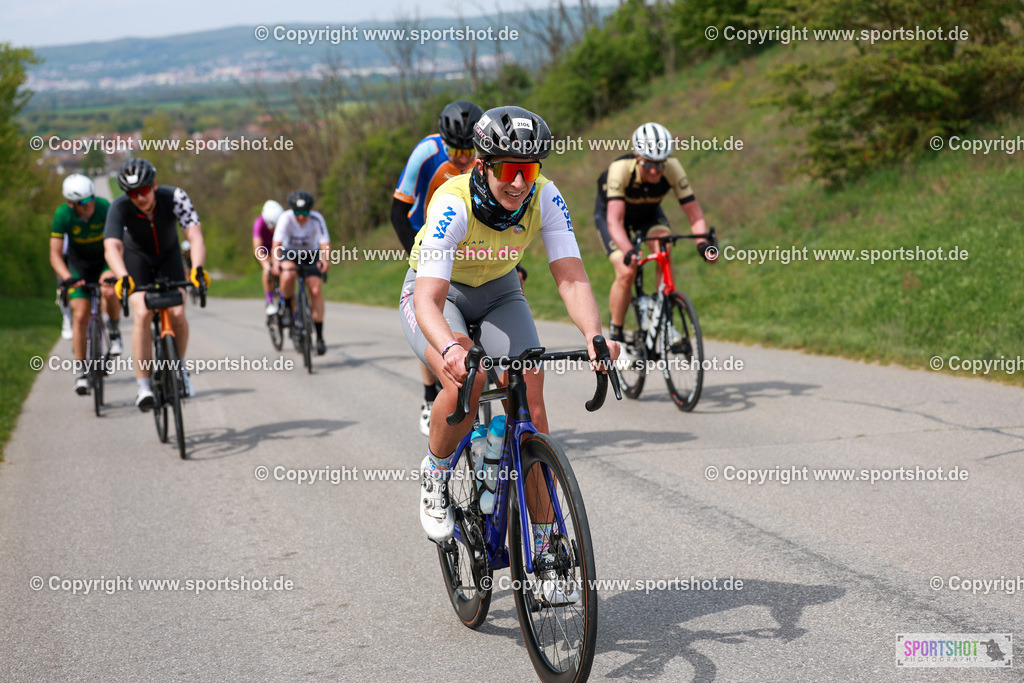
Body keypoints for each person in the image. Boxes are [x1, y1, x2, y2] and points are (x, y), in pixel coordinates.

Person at [398, 106, 619, 570]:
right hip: (441, 296)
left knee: (532, 406)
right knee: (468, 381)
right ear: (483, 165)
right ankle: (436, 472)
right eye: (508, 169)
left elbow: (571, 276)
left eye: (529, 169)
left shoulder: (546, 196)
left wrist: (594, 335)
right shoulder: (452, 203)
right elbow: (428, 300)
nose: (519, 182)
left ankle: (546, 545)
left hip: (500, 291)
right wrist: (451, 348)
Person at [392, 100, 484, 436]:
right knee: (432, 311)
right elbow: (397, 211)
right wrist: (420, 263)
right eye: (454, 149)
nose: (461, 157)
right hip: (426, 234)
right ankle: (431, 396)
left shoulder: (485, 159)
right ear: (442, 140)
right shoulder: (426, 153)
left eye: (467, 150)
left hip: (468, 240)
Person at [594, 122, 716, 345]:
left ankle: (665, 321)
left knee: (664, 249)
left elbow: (694, 212)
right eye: (649, 163)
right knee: (626, 269)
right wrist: (629, 250)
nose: (654, 171)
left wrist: (702, 242)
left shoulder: (673, 168)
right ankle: (617, 336)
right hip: (613, 216)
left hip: (647, 214)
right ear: (637, 157)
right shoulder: (620, 170)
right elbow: (615, 220)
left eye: (660, 165)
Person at [103, 158, 208, 410]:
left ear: (154, 185)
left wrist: (196, 269)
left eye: (144, 190)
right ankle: (144, 387)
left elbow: (194, 235)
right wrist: (122, 276)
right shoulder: (119, 207)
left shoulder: (175, 197)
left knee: (178, 311)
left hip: (168, 257)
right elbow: (111, 247)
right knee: (142, 313)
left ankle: (179, 368)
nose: (139, 197)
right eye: (132, 193)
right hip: (136, 260)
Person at [50, 173, 123, 394]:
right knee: (80, 315)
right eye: (82, 202)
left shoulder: (104, 207)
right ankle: (82, 372)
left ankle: (114, 329)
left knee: (110, 293)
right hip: (78, 266)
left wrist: (111, 268)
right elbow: (54, 254)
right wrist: (67, 278)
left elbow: (118, 242)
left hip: (103, 260)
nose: (89, 204)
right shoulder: (62, 215)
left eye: (90, 198)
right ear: (71, 204)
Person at [271, 191, 330, 355]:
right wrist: (276, 263)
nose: (301, 216)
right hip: (289, 253)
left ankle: (319, 337)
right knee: (288, 274)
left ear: (310, 210)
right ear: (292, 211)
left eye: (305, 212)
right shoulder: (285, 218)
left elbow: (325, 244)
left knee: (316, 290)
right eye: (298, 212)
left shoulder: (317, 219)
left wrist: (324, 260)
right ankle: (289, 309)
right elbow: (277, 244)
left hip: (311, 254)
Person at [253, 199, 284, 316]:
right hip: (265, 250)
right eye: (272, 227)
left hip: (279, 248)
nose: (275, 230)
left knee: (285, 269)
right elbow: (257, 248)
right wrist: (266, 263)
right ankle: (269, 301)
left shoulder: (284, 221)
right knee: (268, 270)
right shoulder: (259, 223)